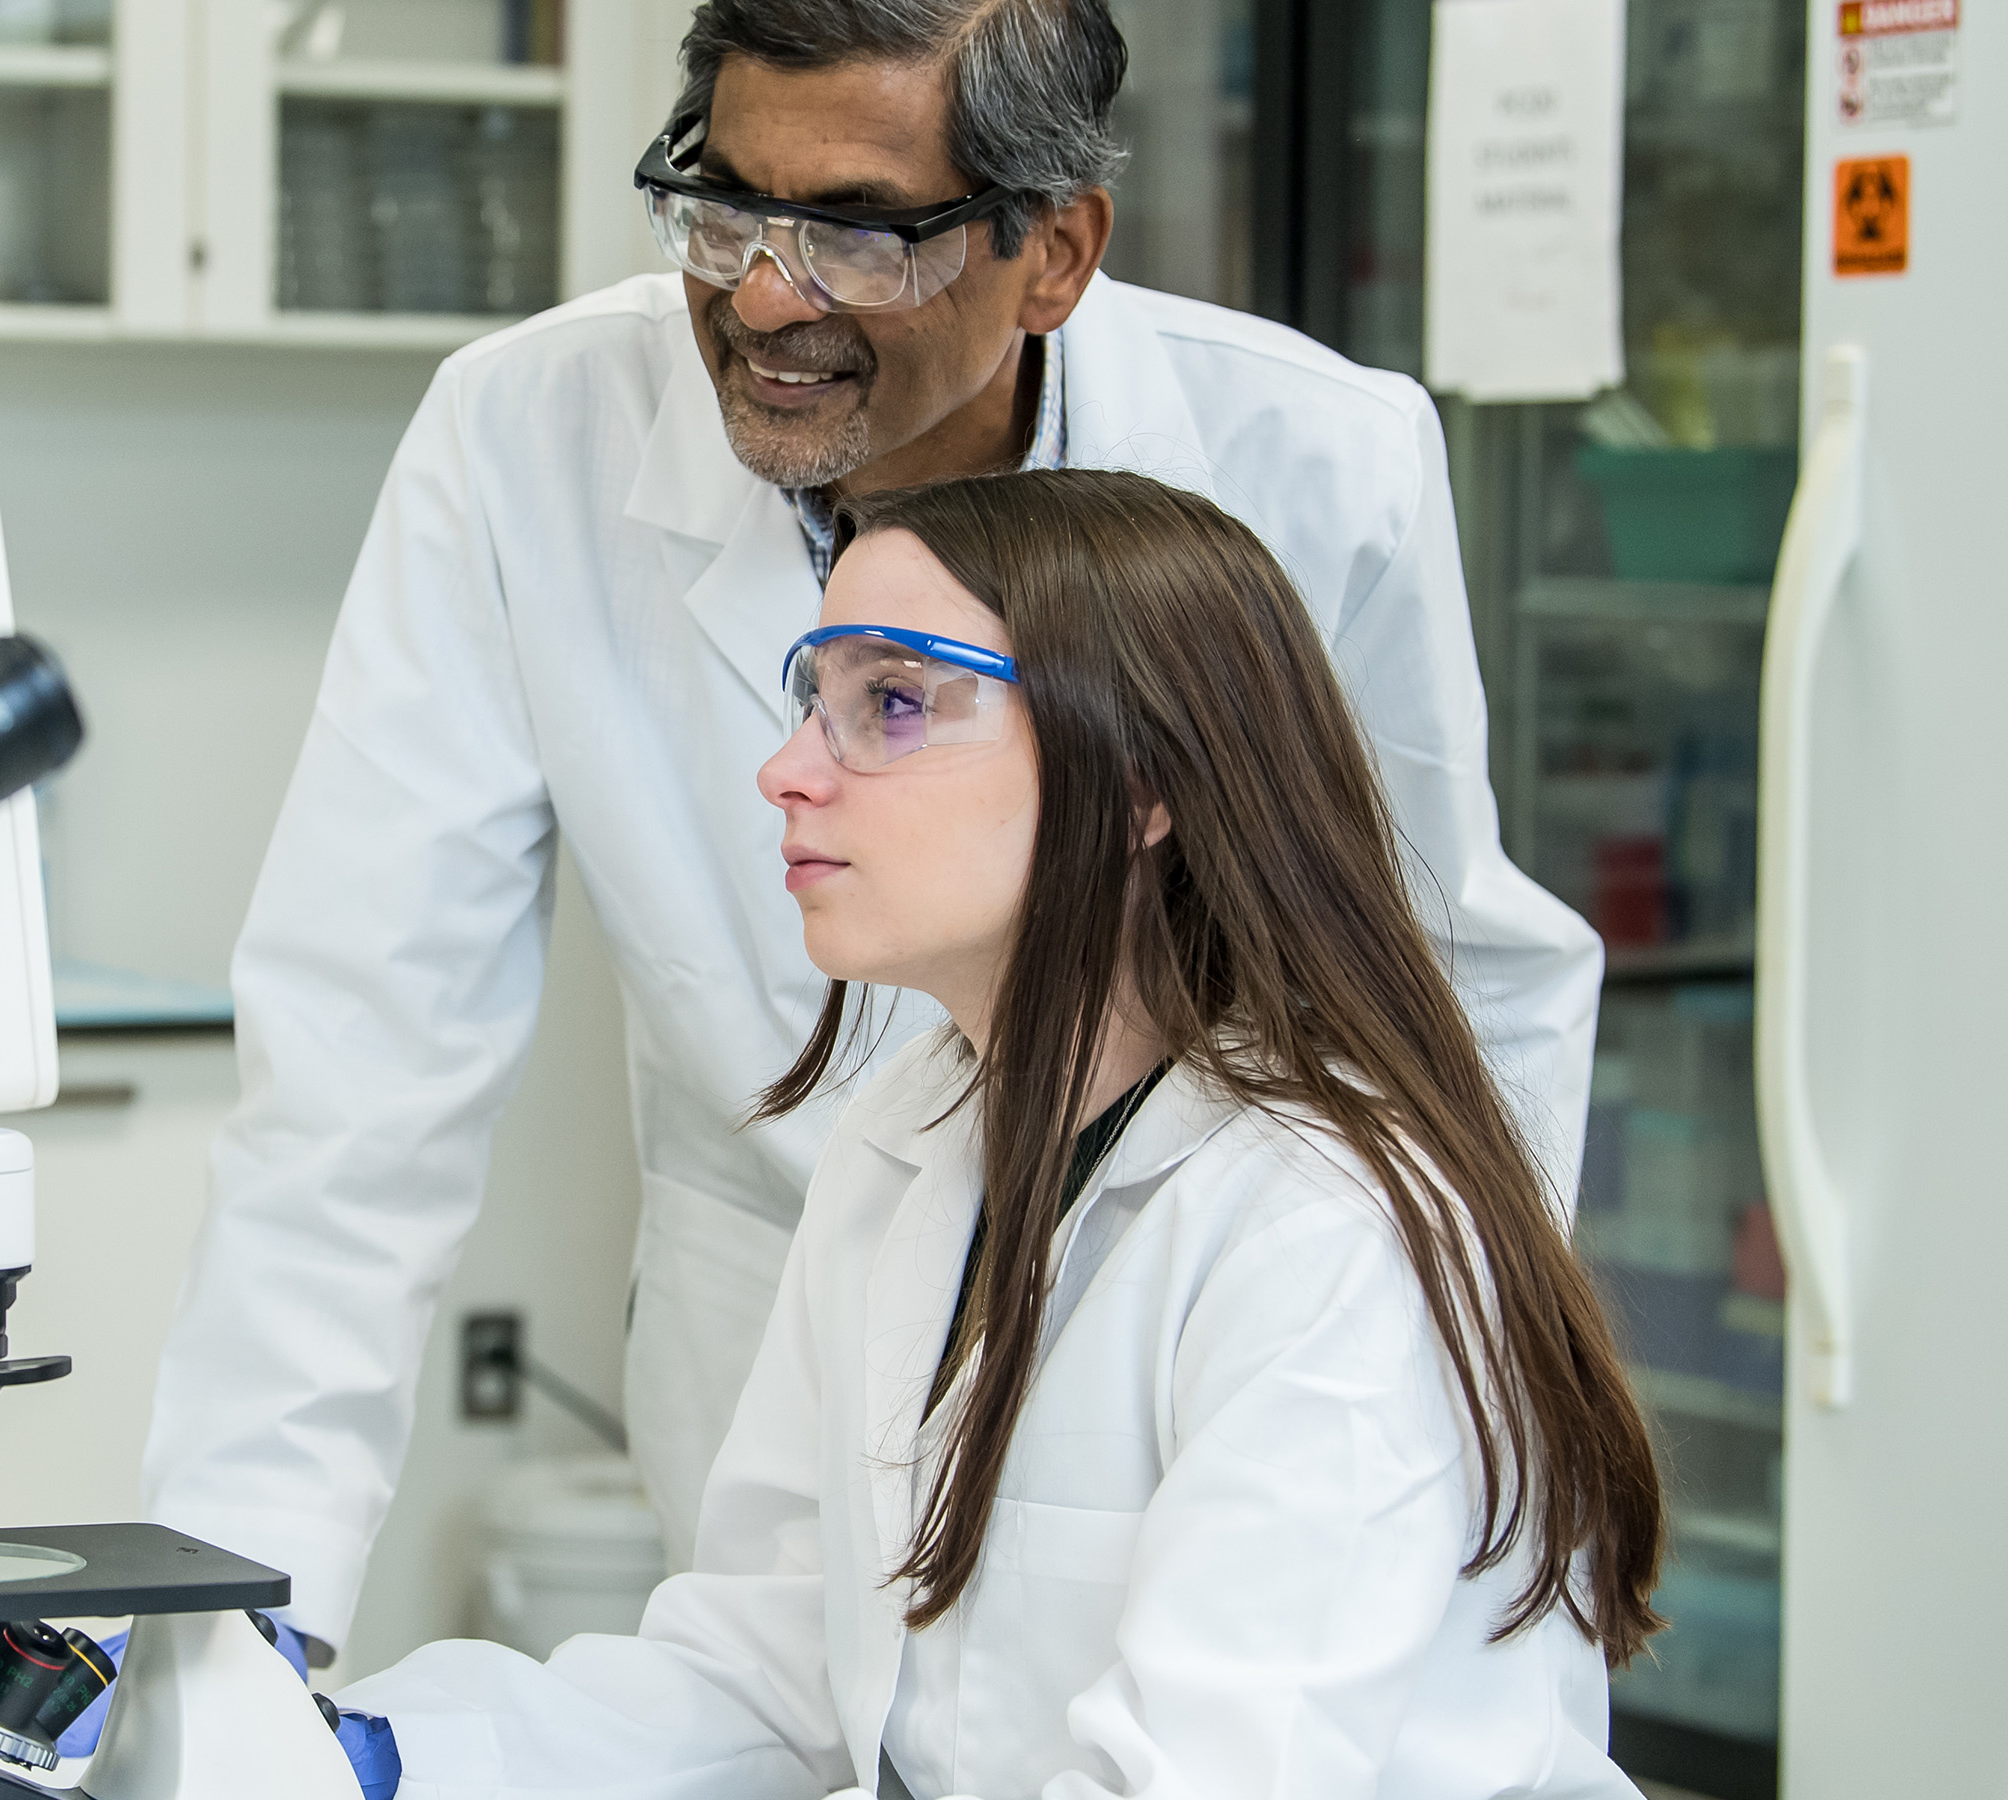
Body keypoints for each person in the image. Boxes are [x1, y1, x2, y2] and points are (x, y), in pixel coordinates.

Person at [143, 0, 1603, 1651]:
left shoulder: (1312, 461)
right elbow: (358, 1071)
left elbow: (1454, 979)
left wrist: (1464, 1427)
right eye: (726, 209)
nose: (767, 299)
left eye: (857, 237)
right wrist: (228, 1635)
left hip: (1218, 1351)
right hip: (780, 1340)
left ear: (1052, 253)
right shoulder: (526, 436)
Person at [331, 468, 1666, 1799]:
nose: (787, 769)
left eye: (891, 705)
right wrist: (375, 1760)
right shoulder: (913, 1132)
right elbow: (773, 1675)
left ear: (1141, 782)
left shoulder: (1329, 1232)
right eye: (813, 699)